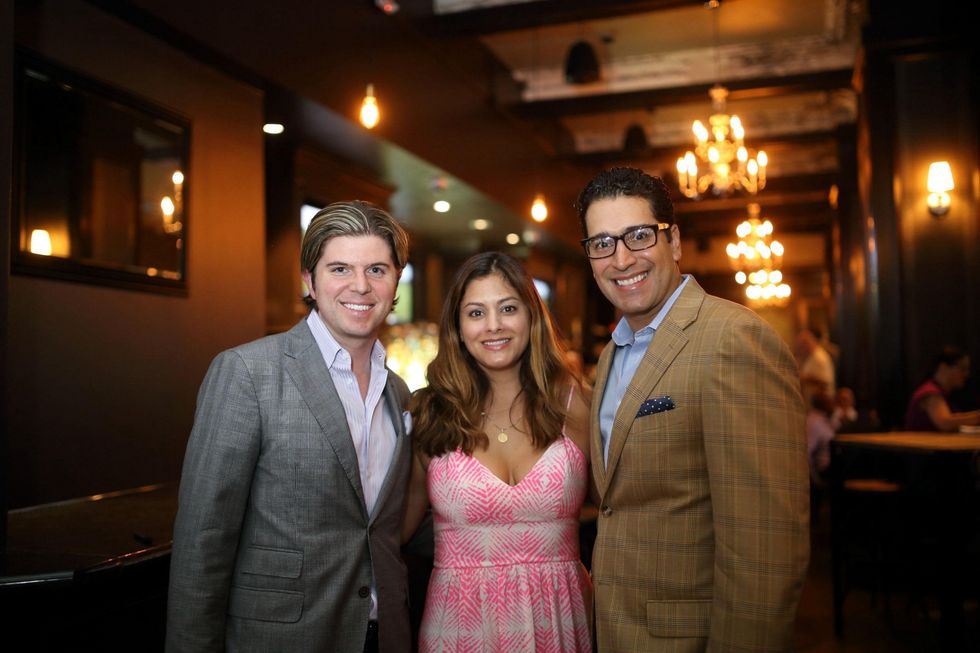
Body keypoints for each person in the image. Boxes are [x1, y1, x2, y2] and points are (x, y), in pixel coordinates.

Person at [576, 167, 809, 652]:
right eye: (602, 243)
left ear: (674, 241)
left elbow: (764, 545)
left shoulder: (733, 338)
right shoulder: (614, 351)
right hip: (619, 630)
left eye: (639, 236)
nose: (622, 258)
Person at [167, 201, 413, 653]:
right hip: (285, 637)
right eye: (340, 268)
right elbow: (204, 538)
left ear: (396, 279)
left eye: (377, 269)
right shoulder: (247, 372)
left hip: (384, 635)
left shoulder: (397, 392)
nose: (361, 285)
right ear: (309, 281)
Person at [401, 252, 593, 652]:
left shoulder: (575, 404)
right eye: (476, 313)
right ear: (457, 328)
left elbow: (620, 511)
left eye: (508, 308)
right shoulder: (429, 414)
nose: (493, 325)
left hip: (560, 621)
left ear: (532, 317)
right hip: (460, 630)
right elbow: (391, 532)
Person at [904, 345, 980, 432]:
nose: (967, 374)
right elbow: (944, 422)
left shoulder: (940, 392)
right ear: (943, 367)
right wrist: (977, 418)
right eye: (962, 368)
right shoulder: (930, 392)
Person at [795, 328, 836, 405]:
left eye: (802, 344)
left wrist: (805, 378)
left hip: (821, 405)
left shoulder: (819, 357)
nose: (800, 348)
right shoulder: (811, 357)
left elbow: (825, 381)